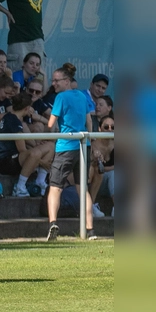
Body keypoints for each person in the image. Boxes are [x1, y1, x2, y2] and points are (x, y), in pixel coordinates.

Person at [46, 63, 94, 241]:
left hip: (65, 147)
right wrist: (89, 142)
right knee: (83, 189)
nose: (53, 84)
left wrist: (48, 136)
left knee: (55, 188)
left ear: (67, 81)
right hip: (83, 147)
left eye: (56, 81)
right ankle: (90, 230)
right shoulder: (82, 96)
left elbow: (51, 125)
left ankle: (53, 223)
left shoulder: (61, 98)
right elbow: (89, 122)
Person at [0, 93, 54, 197]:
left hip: (16, 158)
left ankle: (40, 181)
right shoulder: (13, 121)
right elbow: (22, 150)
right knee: (35, 153)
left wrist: (38, 147)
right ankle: (19, 187)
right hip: (5, 161)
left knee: (50, 146)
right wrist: (42, 162)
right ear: (27, 108)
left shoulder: (15, 118)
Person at [88, 116, 114, 223]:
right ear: (99, 129)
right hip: (97, 180)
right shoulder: (93, 145)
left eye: (113, 127)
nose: (110, 130)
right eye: (106, 127)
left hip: (114, 183)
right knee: (113, 174)